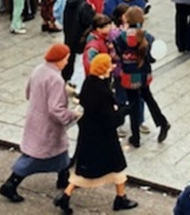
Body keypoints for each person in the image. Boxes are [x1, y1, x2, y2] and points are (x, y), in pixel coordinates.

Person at [55, 54, 139, 214]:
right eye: (109, 65)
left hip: (89, 135)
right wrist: (122, 112)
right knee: (117, 167)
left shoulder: (89, 83)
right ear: (103, 68)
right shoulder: (102, 91)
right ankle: (120, 199)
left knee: (85, 171)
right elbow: (111, 120)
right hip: (104, 138)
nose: (112, 67)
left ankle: (65, 196)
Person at [0, 43, 80, 203]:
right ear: (59, 60)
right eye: (66, 59)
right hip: (48, 126)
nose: (67, 62)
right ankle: (10, 184)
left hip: (35, 118)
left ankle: (64, 177)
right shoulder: (56, 79)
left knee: (60, 151)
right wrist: (72, 115)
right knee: (34, 157)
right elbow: (56, 109)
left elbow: (28, 92)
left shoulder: (39, 70)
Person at [112, 6, 170, 148]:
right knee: (148, 98)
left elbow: (117, 55)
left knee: (132, 103)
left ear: (126, 19)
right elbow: (152, 58)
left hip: (128, 76)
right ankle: (162, 122)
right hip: (144, 74)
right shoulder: (147, 37)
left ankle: (136, 138)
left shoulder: (120, 38)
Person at [62, 0, 95, 85]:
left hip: (69, 34)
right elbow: (89, 21)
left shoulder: (69, 1)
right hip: (80, 37)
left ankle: (67, 77)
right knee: (80, 60)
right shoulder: (84, 6)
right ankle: (76, 82)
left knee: (70, 58)